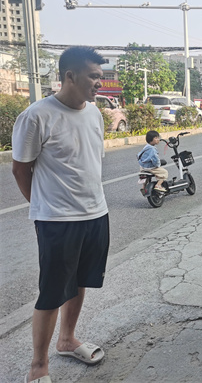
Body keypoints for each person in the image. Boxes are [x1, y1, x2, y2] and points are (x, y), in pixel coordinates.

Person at [12, 46, 110, 383]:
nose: (100, 82)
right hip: (57, 221)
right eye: (94, 76)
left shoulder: (95, 113)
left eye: (101, 76)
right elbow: (20, 169)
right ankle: (38, 367)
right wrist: (42, 207)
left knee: (80, 281)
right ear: (69, 76)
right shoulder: (37, 116)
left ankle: (67, 340)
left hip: (96, 213)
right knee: (52, 291)